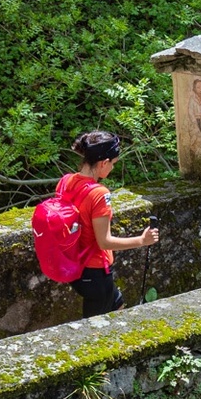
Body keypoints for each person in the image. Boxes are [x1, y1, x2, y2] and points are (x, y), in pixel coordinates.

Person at [56, 130, 159, 318]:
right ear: (104, 162)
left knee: (117, 303)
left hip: (73, 265)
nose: (112, 168)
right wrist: (142, 240)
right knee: (93, 328)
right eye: (113, 163)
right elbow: (104, 242)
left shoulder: (65, 181)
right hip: (95, 272)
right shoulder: (99, 194)